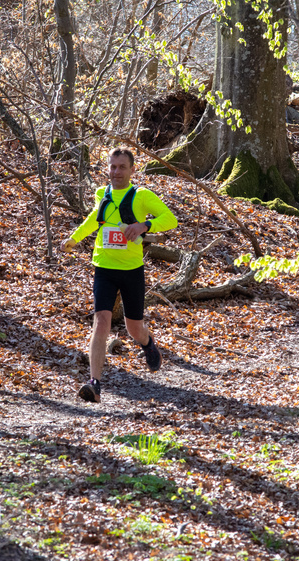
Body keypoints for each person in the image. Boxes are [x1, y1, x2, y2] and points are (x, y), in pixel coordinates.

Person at [62, 147, 178, 403]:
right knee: (101, 321)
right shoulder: (102, 193)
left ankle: (148, 343)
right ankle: (94, 383)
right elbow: (96, 218)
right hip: (104, 267)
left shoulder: (141, 196)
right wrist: (75, 238)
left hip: (131, 270)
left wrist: (144, 225)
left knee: (133, 328)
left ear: (132, 169)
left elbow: (171, 219)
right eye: (113, 167)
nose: (116, 172)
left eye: (122, 167)